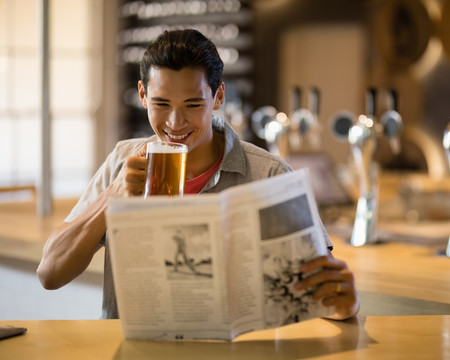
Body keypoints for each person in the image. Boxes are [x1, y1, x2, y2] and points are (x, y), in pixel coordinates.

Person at [37, 29, 360, 320]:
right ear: (142, 95)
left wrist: (345, 303)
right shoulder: (122, 161)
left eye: (192, 105)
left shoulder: (269, 174)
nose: (175, 123)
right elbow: (50, 274)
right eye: (161, 103)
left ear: (218, 97)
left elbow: (324, 294)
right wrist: (110, 198)